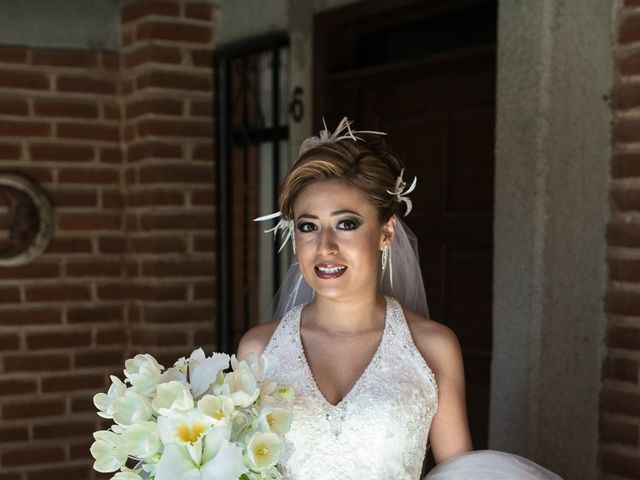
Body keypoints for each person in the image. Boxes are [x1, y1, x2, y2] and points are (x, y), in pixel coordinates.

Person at [237, 118, 562, 480]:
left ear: (386, 232)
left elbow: (465, 473)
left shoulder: (432, 347)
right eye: (308, 226)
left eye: (346, 224)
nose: (325, 247)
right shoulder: (259, 348)